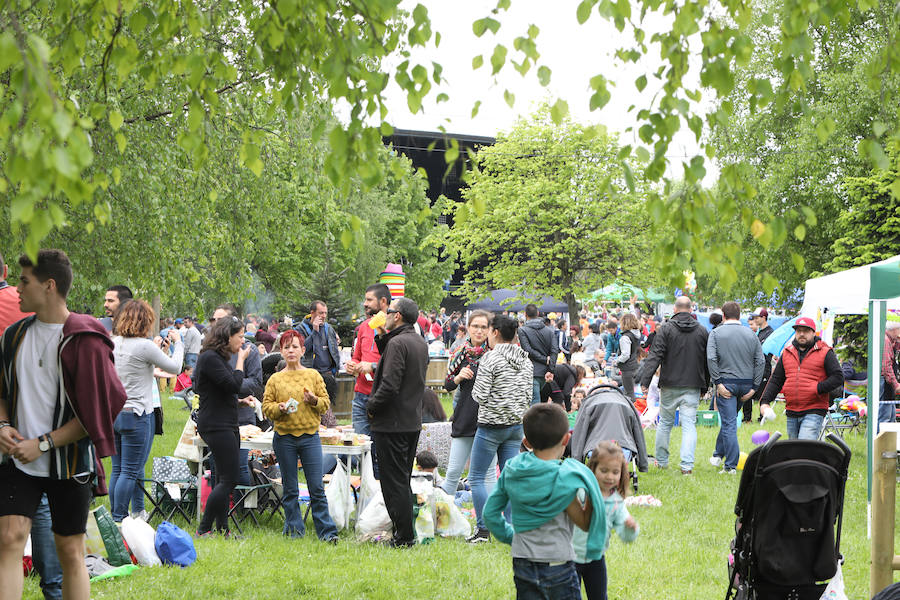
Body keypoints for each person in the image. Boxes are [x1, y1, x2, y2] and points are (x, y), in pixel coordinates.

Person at [0, 249, 126, 600]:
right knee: (9, 538)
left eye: (25, 282)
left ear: (49, 285)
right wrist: (2, 425)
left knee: (70, 551)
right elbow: (2, 393)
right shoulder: (13, 337)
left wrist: (40, 444)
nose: (17, 289)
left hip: (69, 464)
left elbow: (94, 417)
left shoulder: (85, 339)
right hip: (16, 462)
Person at [483, 403, 602, 600]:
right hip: (559, 564)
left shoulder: (512, 469)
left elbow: (490, 513)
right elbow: (586, 522)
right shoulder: (568, 478)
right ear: (566, 438)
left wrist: (511, 536)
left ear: (526, 442)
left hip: (522, 562)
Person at [0, 251, 62, 600]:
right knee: (38, 504)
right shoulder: (22, 310)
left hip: (13, 423)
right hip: (30, 425)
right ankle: (52, 586)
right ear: (6, 271)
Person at [109, 299, 184, 522]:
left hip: (115, 413)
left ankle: (128, 514)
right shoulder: (143, 345)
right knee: (130, 471)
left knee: (118, 469)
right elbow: (175, 368)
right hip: (137, 414)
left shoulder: (114, 342)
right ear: (145, 321)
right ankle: (119, 518)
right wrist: (178, 344)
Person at [261, 330, 338, 541]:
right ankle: (294, 531)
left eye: (295, 346)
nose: (291, 351)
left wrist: (313, 400)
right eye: (287, 347)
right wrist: (280, 408)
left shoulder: (313, 376)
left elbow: (325, 404)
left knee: (316, 487)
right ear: (281, 351)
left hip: (310, 437)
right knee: (290, 488)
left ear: (303, 350)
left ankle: (327, 533)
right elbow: (266, 407)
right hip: (284, 438)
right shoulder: (275, 379)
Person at [366, 297, 428, 548]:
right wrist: (382, 335)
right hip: (410, 420)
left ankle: (404, 537)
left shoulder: (399, 343)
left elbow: (389, 384)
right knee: (401, 479)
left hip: (392, 422)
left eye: (388, 311)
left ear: (398, 316)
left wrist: (371, 407)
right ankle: (404, 532)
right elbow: (393, 362)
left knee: (394, 482)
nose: (385, 314)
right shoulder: (417, 342)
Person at [467, 314, 533, 543]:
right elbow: (528, 396)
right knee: (509, 478)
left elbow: (479, 395)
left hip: (491, 426)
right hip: (516, 426)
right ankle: (511, 526)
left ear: (495, 332)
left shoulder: (490, 359)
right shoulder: (526, 360)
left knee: (475, 478)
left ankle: (484, 529)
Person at [194, 316, 253, 536]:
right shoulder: (210, 357)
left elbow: (216, 391)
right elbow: (234, 385)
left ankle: (223, 529)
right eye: (240, 336)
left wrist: (238, 402)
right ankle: (204, 529)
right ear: (227, 336)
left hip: (223, 421)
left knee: (221, 478)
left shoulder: (215, 357)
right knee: (230, 479)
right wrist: (240, 359)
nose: (242, 340)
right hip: (217, 425)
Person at [639, 296, 709, 475]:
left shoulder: (666, 329)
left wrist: (645, 381)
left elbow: (655, 355)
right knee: (689, 425)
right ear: (691, 309)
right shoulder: (702, 331)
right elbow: (706, 361)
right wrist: (705, 386)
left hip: (670, 384)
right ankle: (687, 466)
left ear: (675, 310)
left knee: (665, 424)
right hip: (692, 384)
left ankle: (662, 462)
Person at [573, 441, 639, 600]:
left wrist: (630, 528)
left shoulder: (616, 503)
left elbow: (625, 536)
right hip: (570, 558)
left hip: (596, 559)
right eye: (604, 470)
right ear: (593, 469)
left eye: (615, 472)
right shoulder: (581, 492)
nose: (610, 476)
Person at [759, 317, 843, 440]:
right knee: (795, 449)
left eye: (806, 331)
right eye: (799, 331)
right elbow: (776, 380)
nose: (802, 334)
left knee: (804, 446)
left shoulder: (825, 352)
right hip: (792, 410)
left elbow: (838, 377)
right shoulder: (787, 353)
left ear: (814, 332)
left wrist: (818, 388)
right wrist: (765, 401)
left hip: (814, 409)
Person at [441, 310, 496, 496]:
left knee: (487, 474)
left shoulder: (495, 354)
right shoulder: (459, 352)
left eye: (483, 327)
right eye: (475, 326)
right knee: (453, 472)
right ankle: (441, 514)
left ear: (490, 330)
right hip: (465, 416)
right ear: (468, 328)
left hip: (489, 419)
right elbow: (447, 384)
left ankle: (488, 519)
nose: (479, 331)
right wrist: (458, 377)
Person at [706, 302, 764, 474]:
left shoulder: (716, 333)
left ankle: (731, 465)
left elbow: (711, 359)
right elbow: (760, 361)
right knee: (729, 420)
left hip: (726, 383)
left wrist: (718, 382)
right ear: (740, 315)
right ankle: (717, 455)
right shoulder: (751, 333)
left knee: (729, 423)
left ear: (723, 315)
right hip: (746, 384)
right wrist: (754, 387)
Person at [211, 304, 263, 484]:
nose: (215, 324)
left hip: (242, 419)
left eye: (220, 320)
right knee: (215, 466)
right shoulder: (210, 351)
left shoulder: (249, 350)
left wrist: (230, 384)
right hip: (215, 419)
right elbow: (197, 382)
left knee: (239, 465)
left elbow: (256, 383)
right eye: (214, 320)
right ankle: (221, 510)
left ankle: (244, 509)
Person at [346, 284, 391, 439]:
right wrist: (353, 365)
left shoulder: (395, 327)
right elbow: (357, 357)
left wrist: (371, 367)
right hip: (360, 396)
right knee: (360, 449)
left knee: (379, 451)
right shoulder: (364, 327)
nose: (365, 304)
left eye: (369, 300)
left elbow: (396, 364)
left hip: (383, 397)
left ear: (383, 301)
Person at [296, 301, 340, 405]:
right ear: (312, 313)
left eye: (325, 313)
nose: (324, 316)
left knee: (326, 409)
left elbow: (334, 350)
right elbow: (302, 349)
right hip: (309, 375)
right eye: (321, 313)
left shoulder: (328, 328)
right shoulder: (300, 329)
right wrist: (314, 332)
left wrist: (335, 368)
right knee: (311, 408)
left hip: (328, 375)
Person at [517, 304, 559, 405]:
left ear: (525, 314)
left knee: (534, 405)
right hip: (545, 373)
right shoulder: (549, 331)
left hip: (531, 371)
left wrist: (545, 360)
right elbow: (554, 350)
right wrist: (550, 368)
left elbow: (527, 350)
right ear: (538, 313)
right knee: (538, 403)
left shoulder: (522, 330)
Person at [745, 308, 775, 423]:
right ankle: (747, 418)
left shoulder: (770, 333)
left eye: (757, 317)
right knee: (747, 392)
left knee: (763, 395)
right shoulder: (759, 332)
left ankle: (763, 417)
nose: (755, 319)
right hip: (753, 367)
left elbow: (765, 353)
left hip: (764, 367)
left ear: (763, 318)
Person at [615, 313, 642, 402]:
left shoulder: (625, 337)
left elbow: (625, 355)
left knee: (629, 394)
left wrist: (616, 361)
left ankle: (631, 413)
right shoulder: (636, 334)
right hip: (634, 366)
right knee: (631, 392)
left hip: (627, 368)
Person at [878, 321, 900, 426]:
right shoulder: (885, 341)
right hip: (885, 382)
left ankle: (888, 442)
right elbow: (886, 366)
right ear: (895, 329)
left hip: (887, 382)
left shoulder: (890, 340)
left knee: (890, 416)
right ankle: (880, 441)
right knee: (884, 417)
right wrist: (896, 385)